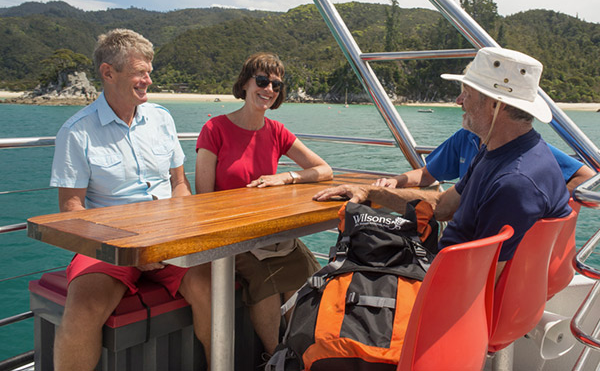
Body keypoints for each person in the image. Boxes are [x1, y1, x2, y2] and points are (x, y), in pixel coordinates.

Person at [314, 47, 573, 277]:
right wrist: (372, 192)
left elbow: (481, 283)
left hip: (450, 290)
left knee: (342, 283)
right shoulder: (502, 152)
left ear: (495, 105)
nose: (459, 101)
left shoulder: (515, 183)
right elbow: (442, 206)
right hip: (447, 272)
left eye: (466, 93)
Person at [50, 29, 208, 370]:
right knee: (83, 308)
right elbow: (71, 210)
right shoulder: (77, 132)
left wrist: (175, 237)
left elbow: (179, 185)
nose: (148, 80)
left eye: (149, 71)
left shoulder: (162, 119)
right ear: (109, 73)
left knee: (213, 291)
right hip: (110, 246)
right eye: (140, 72)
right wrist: (128, 251)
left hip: (168, 241)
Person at [194, 52, 333, 359]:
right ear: (244, 84)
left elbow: (324, 170)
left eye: (276, 84)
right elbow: (202, 198)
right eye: (261, 81)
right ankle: (276, 358)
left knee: (309, 279)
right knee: (266, 282)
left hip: (272, 231)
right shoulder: (215, 129)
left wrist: (287, 177)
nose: (269, 89)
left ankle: (302, 356)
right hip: (232, 234)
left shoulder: (277, 131)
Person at [374, 127, 595, 193]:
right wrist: (397, 181)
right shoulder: (466, 137)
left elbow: (586, 176)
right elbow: (427, 173)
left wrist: (542, 210)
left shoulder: (526, 148)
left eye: (467, 95)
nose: (459, 101)